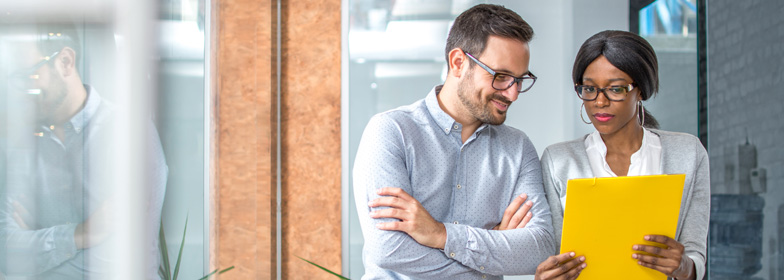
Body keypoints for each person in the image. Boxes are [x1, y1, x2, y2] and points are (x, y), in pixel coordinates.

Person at [353, 4, 555, 279]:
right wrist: (490, 256)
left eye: (520, 80)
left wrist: (440, 234)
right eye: (501, 77)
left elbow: (539, 248)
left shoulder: (517, 149)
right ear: (458, 62)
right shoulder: (391, 132)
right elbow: (389, 250)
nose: (513, 94)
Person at [533, 30, 709, 280]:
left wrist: (683, 266)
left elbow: (695, 259)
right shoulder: (557, 160)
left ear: (641, 91)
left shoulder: (688, 153)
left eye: (616, 89)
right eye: (589, 89)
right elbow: (552, 255)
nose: (600, 102)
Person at [0, 23, 168, 279]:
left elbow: (114, 264)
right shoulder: (23, 145)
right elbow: (6, 252)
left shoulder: (127, 133)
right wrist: (83, 234)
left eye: (29, 75)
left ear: (65, 61)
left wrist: (38, 235)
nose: (23, 90)